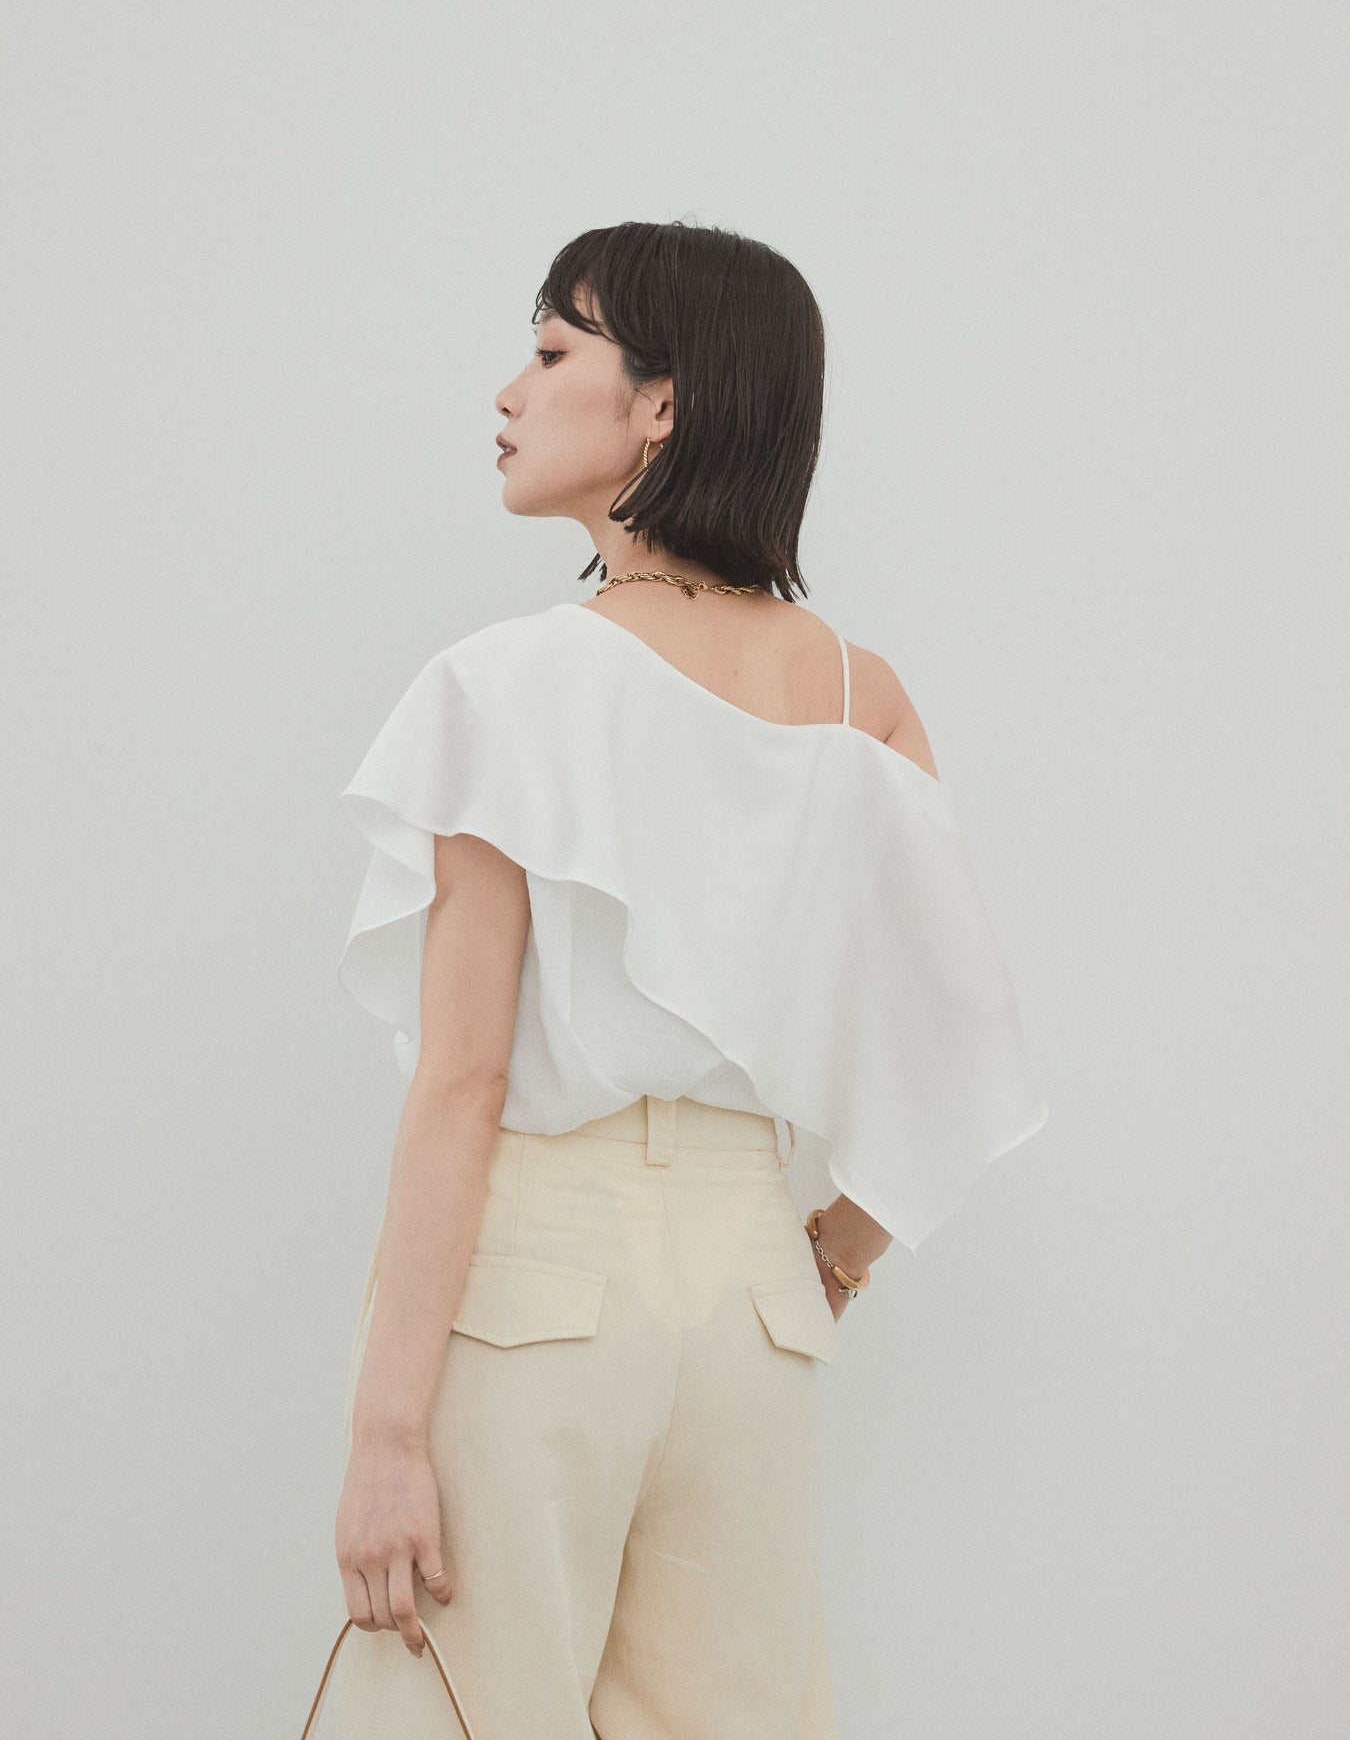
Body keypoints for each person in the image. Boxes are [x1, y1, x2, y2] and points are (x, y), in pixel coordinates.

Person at [326, 221, 1049, 1738]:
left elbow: (464, 1082)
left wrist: (386, 1432)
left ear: (662, 403)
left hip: (541, 1276)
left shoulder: (506, 686)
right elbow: (959, 1036)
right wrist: (834, 1252)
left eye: (550, 349)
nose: (510, 391)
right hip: (747, 1302)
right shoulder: (857, 696)